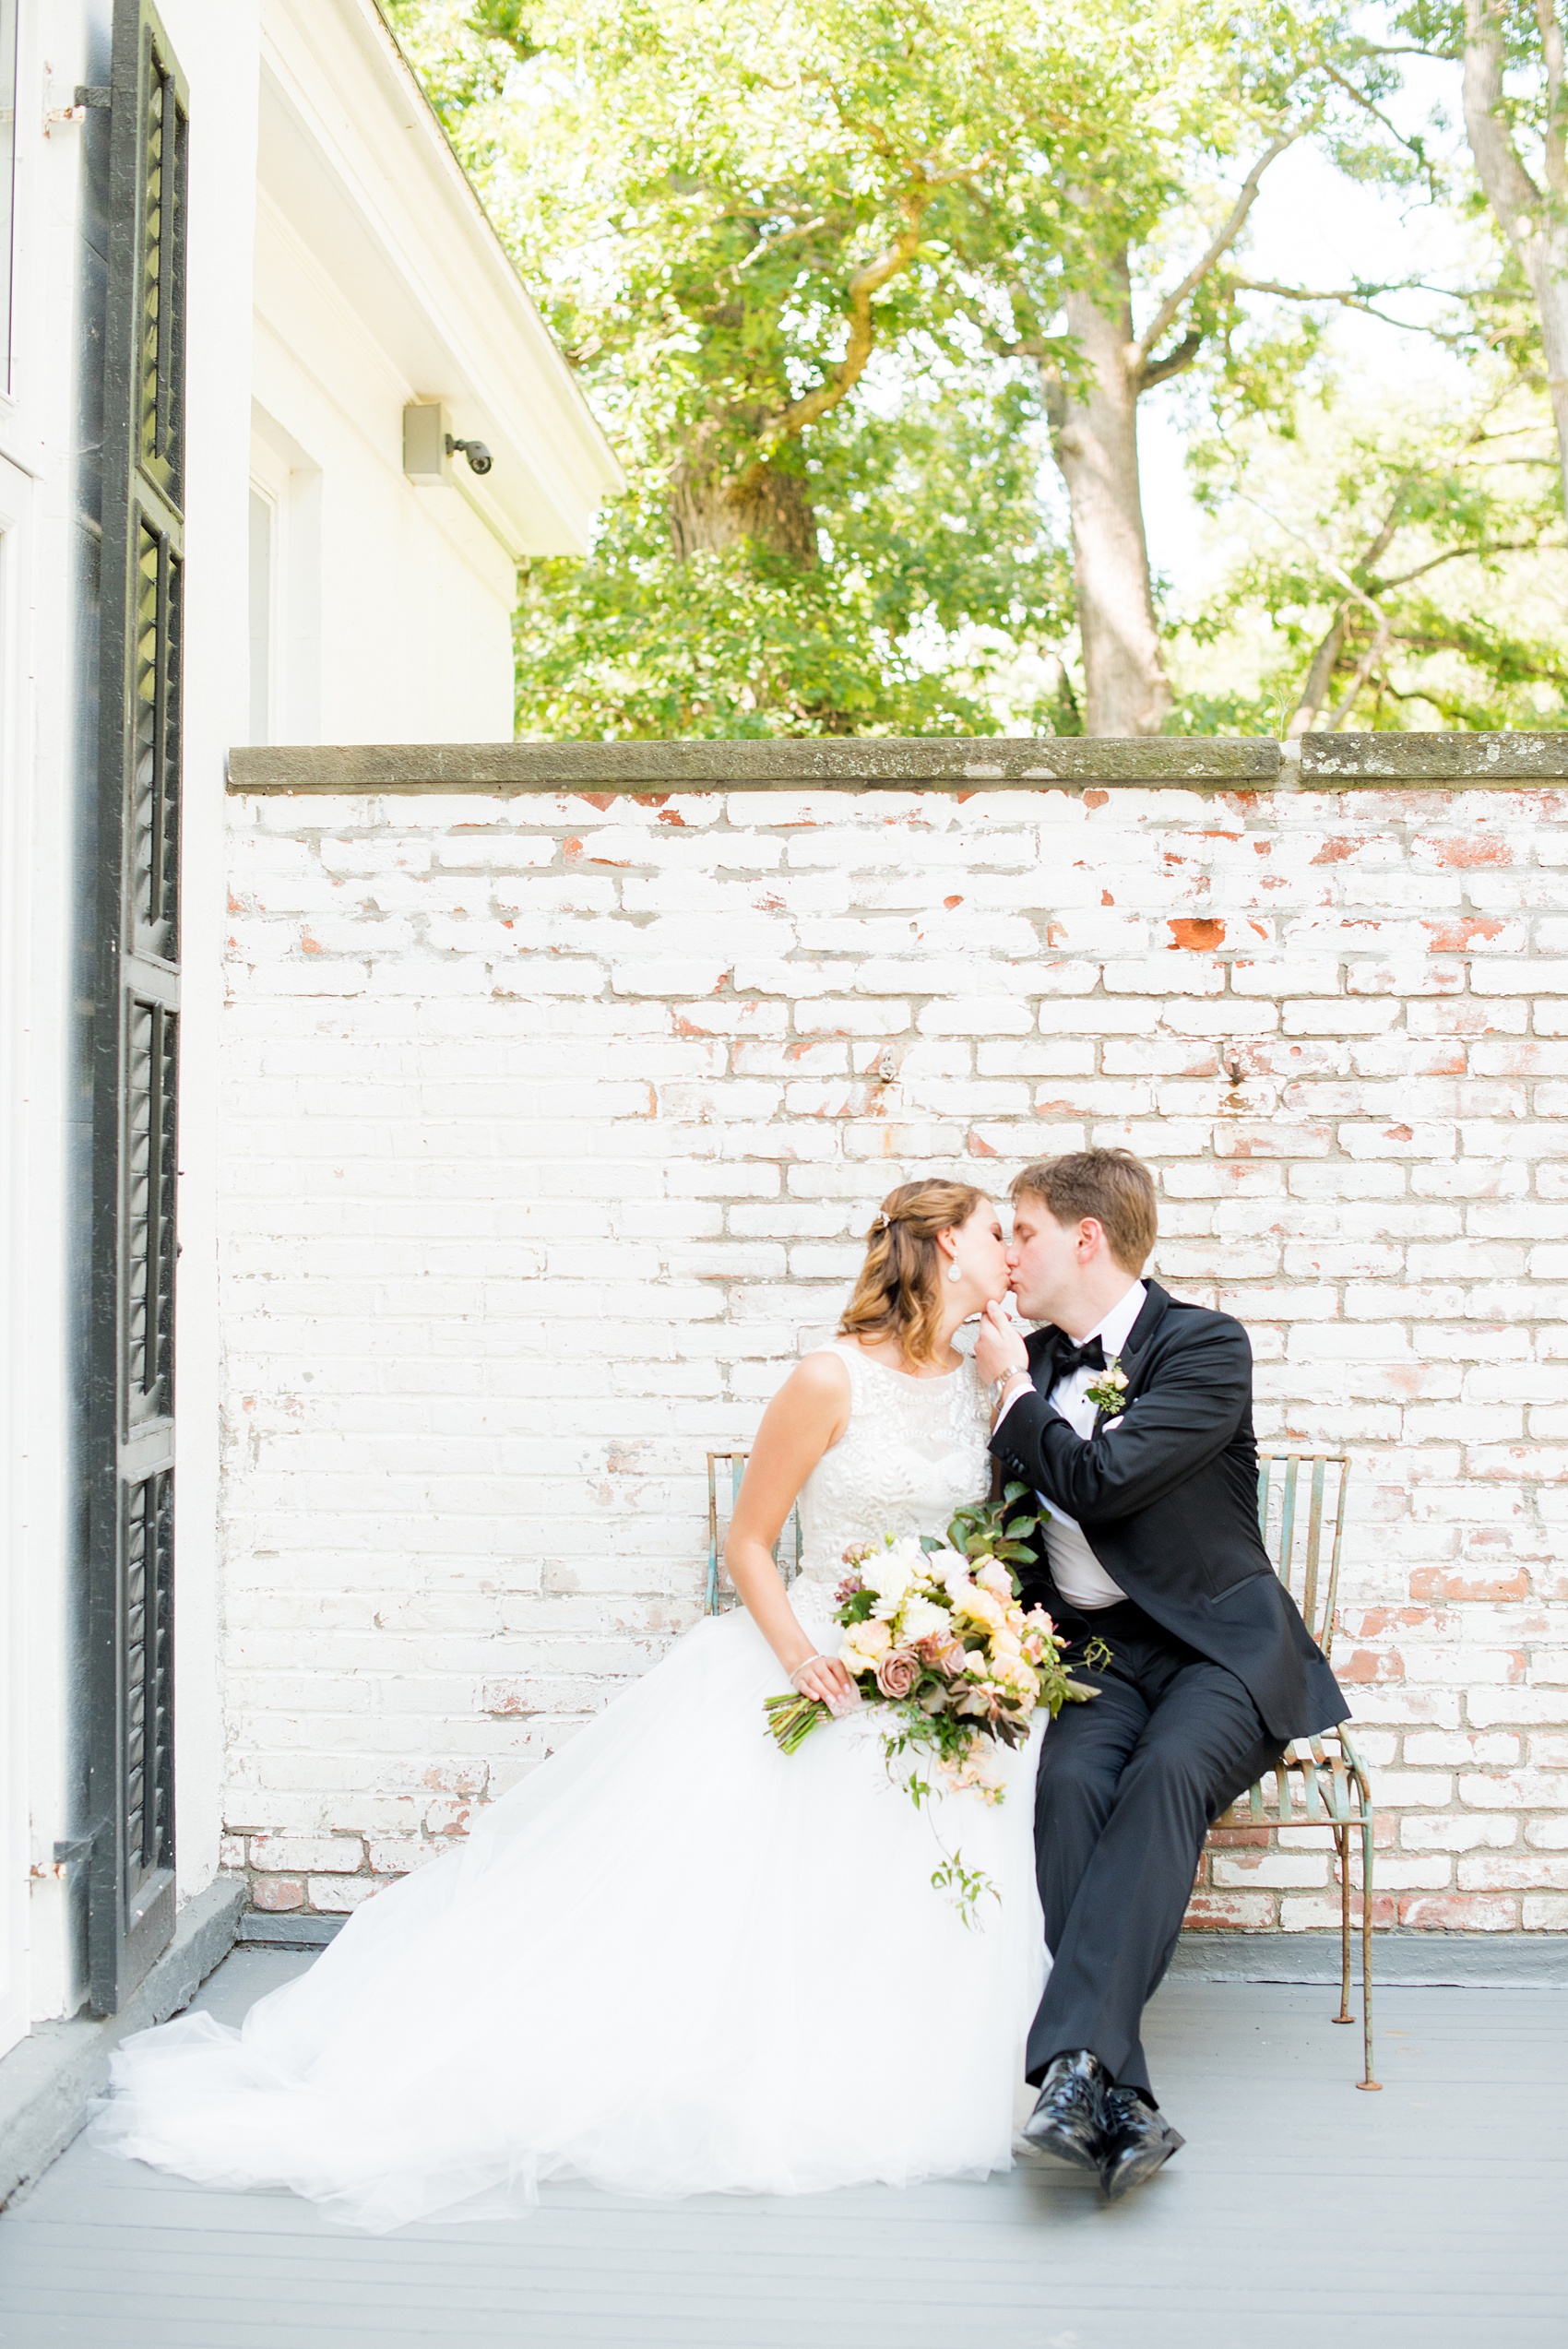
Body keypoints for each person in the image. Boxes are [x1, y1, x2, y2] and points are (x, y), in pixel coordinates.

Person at [98, 1180, 1047, 2231]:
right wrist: (804, 1658)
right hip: (815, 1655)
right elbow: (747, 1542)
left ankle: (896, 2067)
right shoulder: (827, 1379)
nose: (1012, 1248)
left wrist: (963, 1634)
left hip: (923, 1664)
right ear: (939, 1249)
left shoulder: (980, 1381)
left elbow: (976, 1535)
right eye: (994, 1233)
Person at [973, 1147, 1348, 2201]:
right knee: (1068, 1788)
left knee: (1164, 1776)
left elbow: (1101, 1481)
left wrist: (1007, 1389)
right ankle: (1114, 2093)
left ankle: (1070, 2071)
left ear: (1083, 1238)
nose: (1011, 1252)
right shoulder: (1037, 1358)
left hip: (1217, 1651)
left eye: (1025, 1232)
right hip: (1094, 1654)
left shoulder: (1202, 1347)